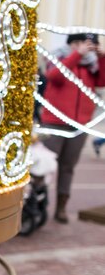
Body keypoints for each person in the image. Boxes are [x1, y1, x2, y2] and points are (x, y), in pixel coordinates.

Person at [40, 33, 105, 223]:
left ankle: (61, 207)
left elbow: (102, 81)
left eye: (88, 45)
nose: (83, 47)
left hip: (80, 125)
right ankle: (36, 205)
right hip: (54, 122)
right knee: (44, 167)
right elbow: (54, 76)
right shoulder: (57, 58)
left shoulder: (91, 66)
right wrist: (76, 55)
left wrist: (102, 58)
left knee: (68, 167)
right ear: (70, 44)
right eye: (78, 43)